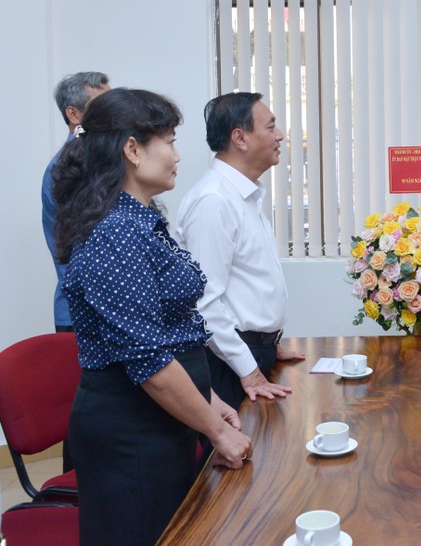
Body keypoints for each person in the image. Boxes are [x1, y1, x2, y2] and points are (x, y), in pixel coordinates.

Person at [53, 88, 253, 546]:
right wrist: (215, 431)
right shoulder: (115, 234)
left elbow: (170, 329)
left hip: (162, 416)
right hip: (132, 430)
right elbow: (150, 362)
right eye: (170, 140)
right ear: (132, 149)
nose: (178, 155)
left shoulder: (139, 219)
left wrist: (207, 401)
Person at [177, 92, 304, 413]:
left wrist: (268, 345)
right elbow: (204, 302)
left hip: (252, 351)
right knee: (239, 460)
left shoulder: (242, 194)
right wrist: (249, 370)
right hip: (228, 362)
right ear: (240, 138)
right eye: (271, 127)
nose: (280, 136)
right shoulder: (214, 201)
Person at [42, 72, 110, 332]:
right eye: (101, 105)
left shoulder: (101, 159)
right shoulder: (68, 169)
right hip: (86, 314)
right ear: (74, 115)